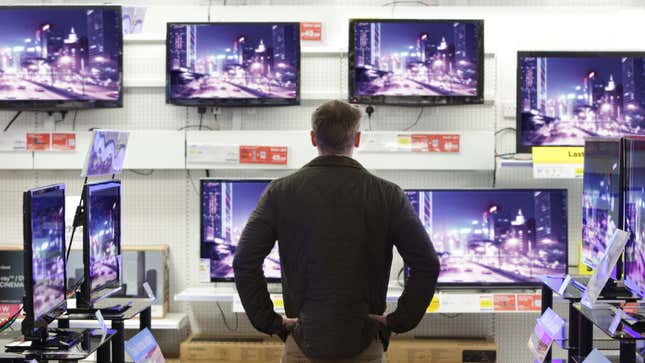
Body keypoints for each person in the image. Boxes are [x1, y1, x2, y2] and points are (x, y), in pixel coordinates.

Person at [233, 100, 440, 362]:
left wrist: (270, 322)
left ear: (312, 138)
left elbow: (244, 262)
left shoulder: (280, 192)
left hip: (303, 343)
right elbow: (427, 264)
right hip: (365, 344)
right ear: (357, 139)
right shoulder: (388, 195)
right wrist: (398, 321)